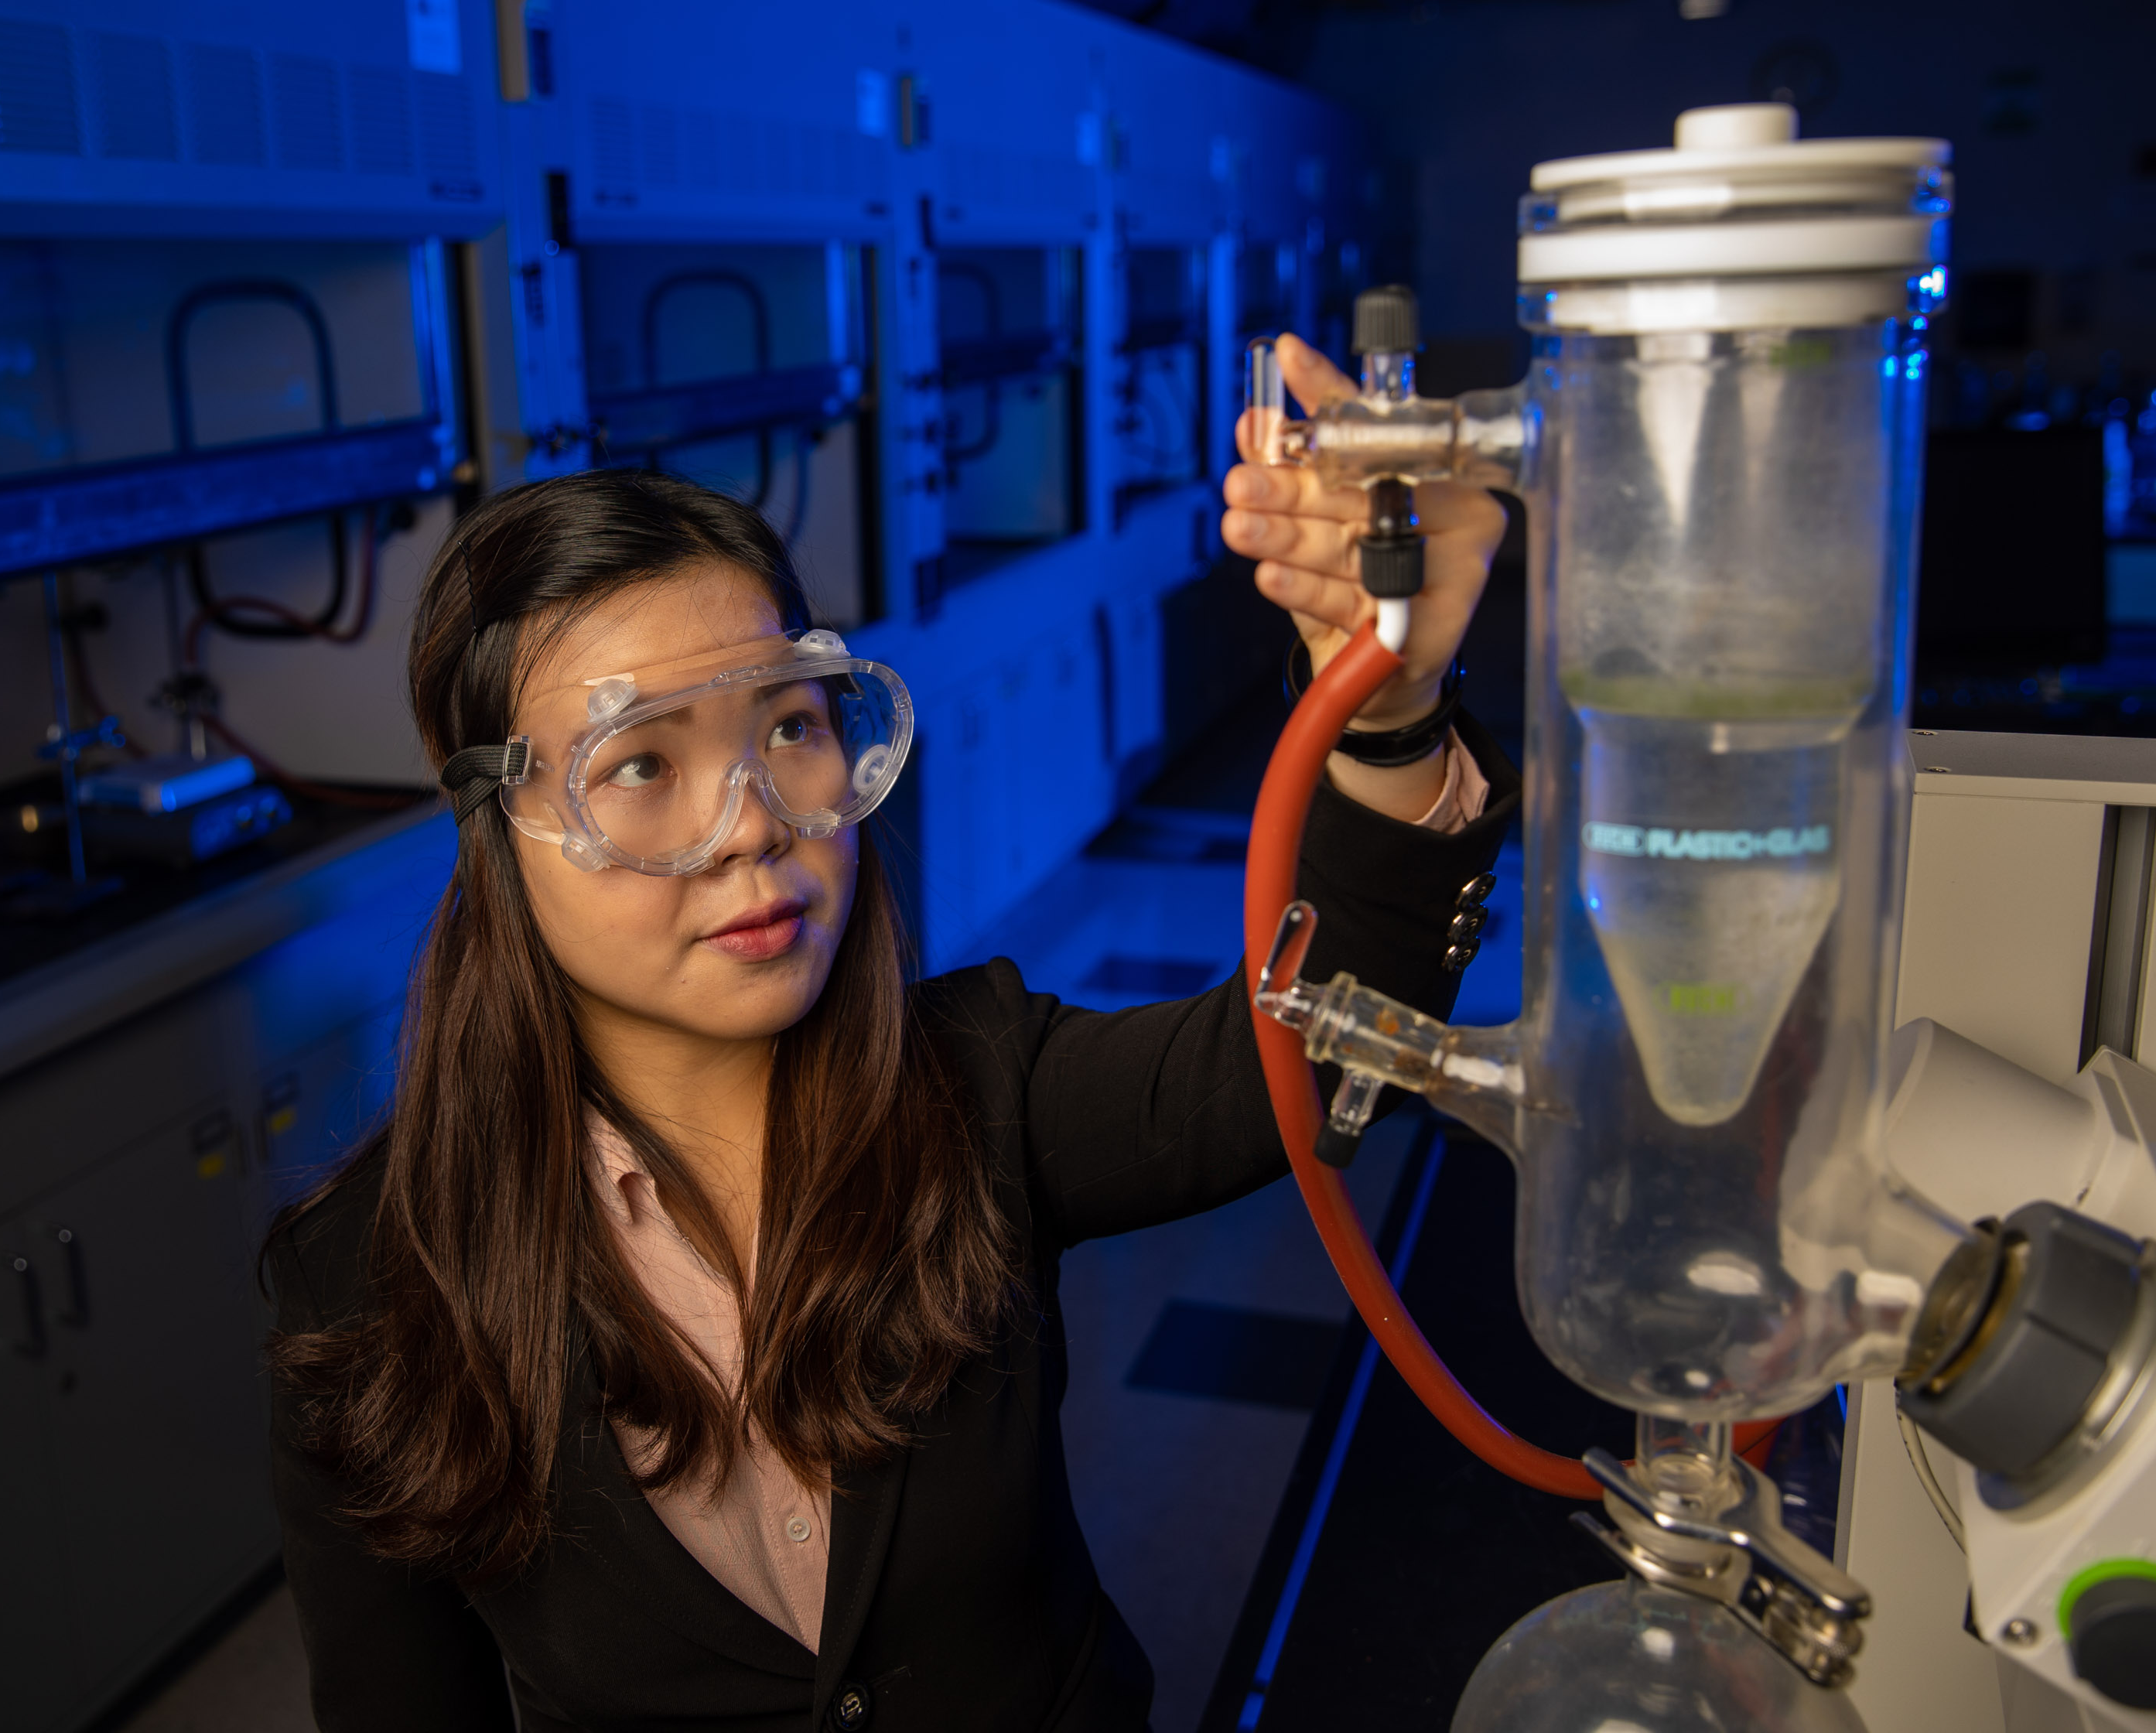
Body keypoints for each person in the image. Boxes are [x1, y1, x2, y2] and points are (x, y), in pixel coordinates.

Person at [266, 335, 1517, 1731]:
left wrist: (1391, 712)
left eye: (791, 726)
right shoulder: (366, 1276)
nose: (750, 822)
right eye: (640, 765)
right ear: (498, 825)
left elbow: (1324, 1049)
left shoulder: (979, 1085)